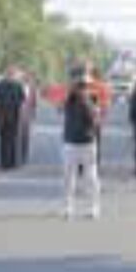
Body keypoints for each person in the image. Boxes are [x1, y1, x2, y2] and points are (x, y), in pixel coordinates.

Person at [60, 68, 102, 220]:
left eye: (84, 85)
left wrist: (90, 105)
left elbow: (97, 121)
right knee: (68, 177)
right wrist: (71, 93)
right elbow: (60, 108)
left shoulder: (94, 99)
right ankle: (67, 207)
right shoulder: (70, 99)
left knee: (91, 176)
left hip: (87, 142)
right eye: (79, 85)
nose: (82, 88)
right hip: (70, 142)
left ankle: (94, 207)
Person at [0, 64, 29, 170]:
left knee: (3, 139)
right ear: (13, 74)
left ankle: (4, 163)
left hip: (2, 115)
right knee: (13, 138)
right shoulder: (18, 86)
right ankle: (12, 162)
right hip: (14, 114)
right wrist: (22, 117)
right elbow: (22, 104)